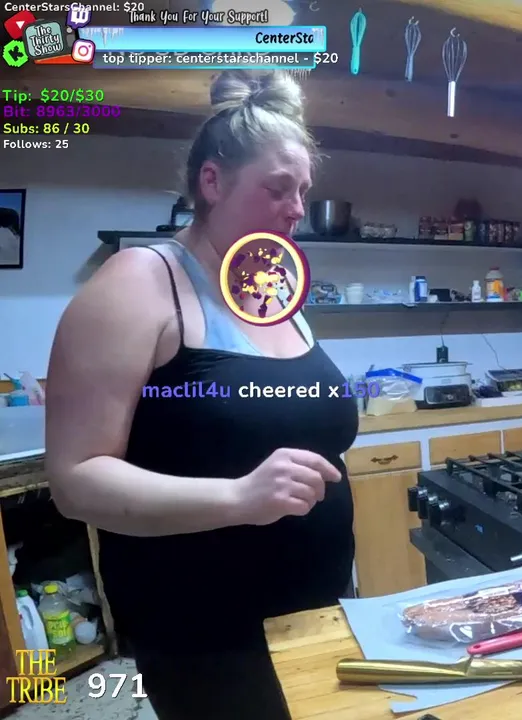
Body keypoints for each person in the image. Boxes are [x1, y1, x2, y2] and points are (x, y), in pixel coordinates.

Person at [44, 71, 354, 720]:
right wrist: (239, 497)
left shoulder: (271, 289)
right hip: (205, 632)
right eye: (277, 188)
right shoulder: (140, 282)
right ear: (212, 182)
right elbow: (75, 479)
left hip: (316, 609)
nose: (296, 209)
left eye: (303, 191)